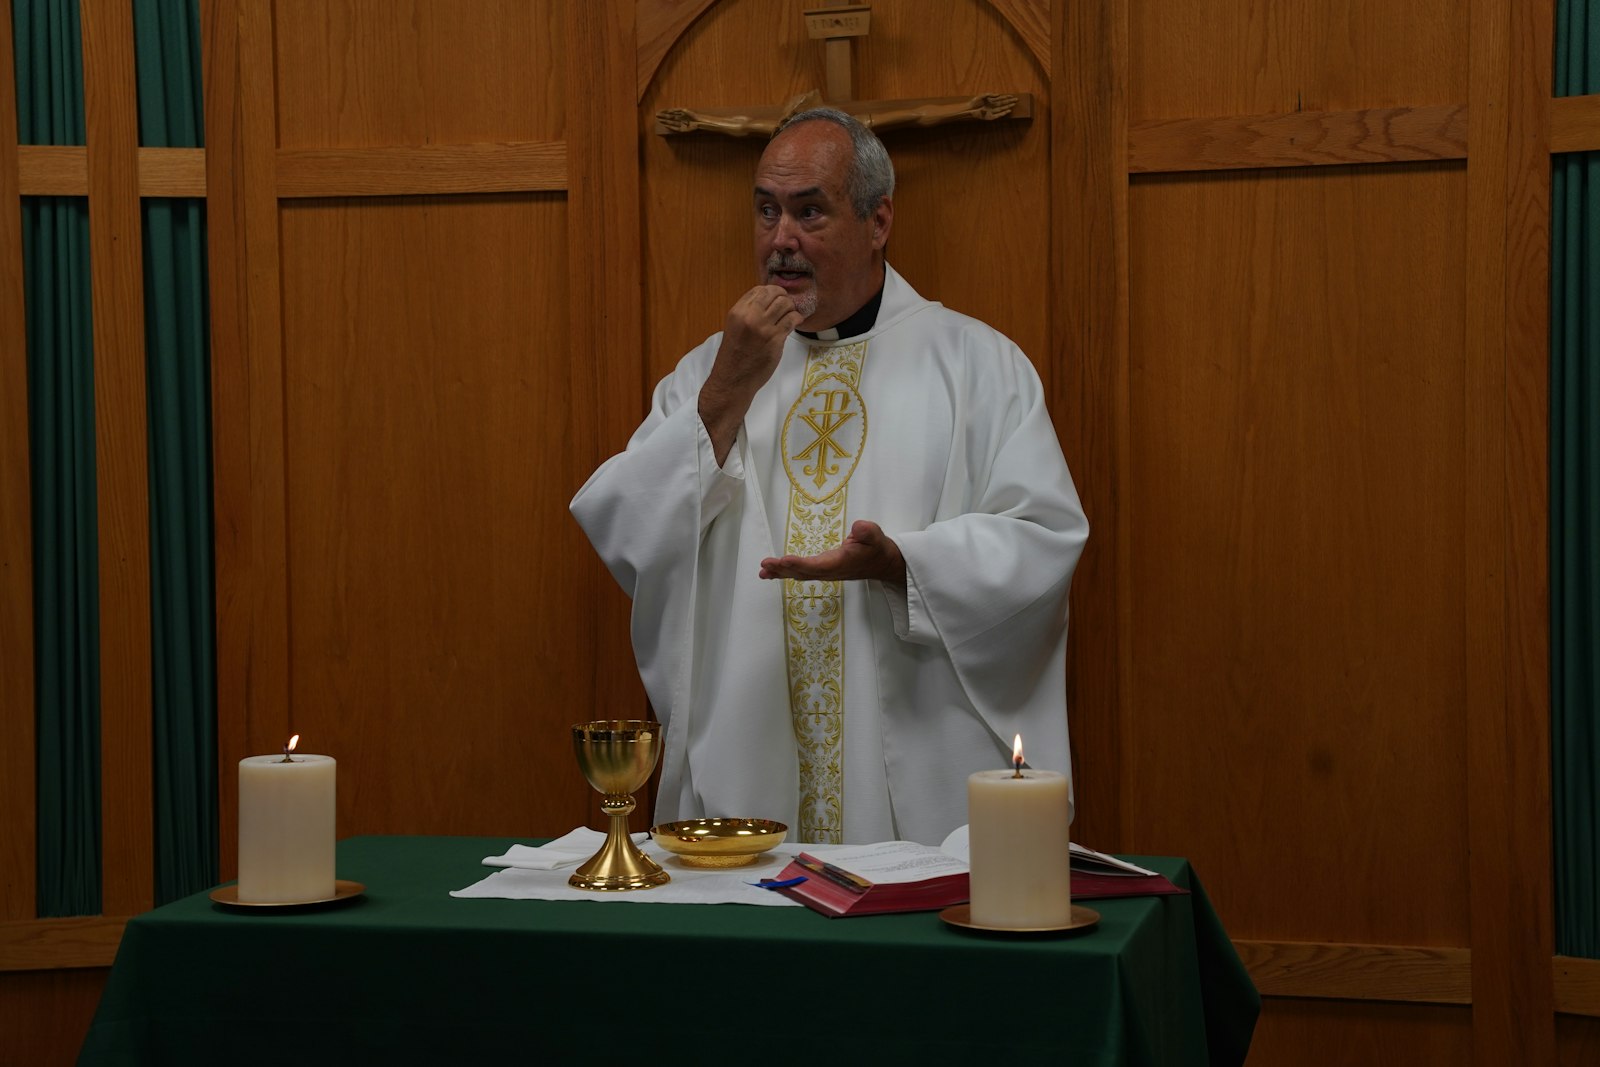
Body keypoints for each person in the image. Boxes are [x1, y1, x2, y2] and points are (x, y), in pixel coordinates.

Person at [570, 108, 1087, 846]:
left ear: (878, 223)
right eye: (766, 211)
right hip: (750, 774)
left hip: (913, 791)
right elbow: (625, 530)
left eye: (810, 211)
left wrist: (906, 563)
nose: (781, 239)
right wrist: (727, 391)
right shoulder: (708, 374)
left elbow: (1043, 539)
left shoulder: (976, 366)